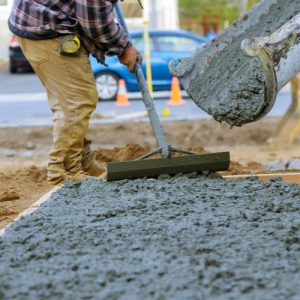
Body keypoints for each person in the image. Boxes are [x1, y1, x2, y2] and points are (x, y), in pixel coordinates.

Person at [8, 0, 142, 185]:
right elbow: (94, 20)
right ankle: (64, 172)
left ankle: (81, 163)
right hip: (47, 28)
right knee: (77, 101)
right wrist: (124, 47)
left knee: (74, 100)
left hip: (40, 21)